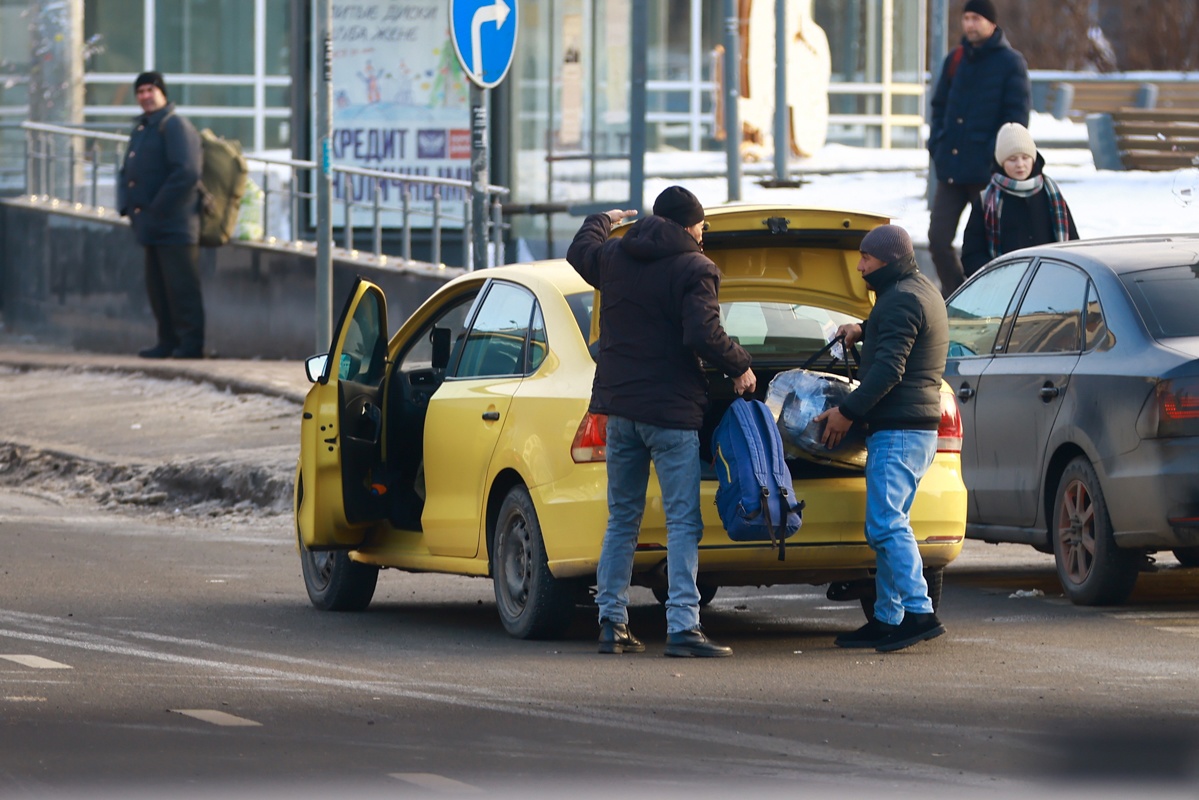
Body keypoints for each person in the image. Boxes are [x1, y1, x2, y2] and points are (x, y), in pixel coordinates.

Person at [566, 186, 756, 658]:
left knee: (623, 519)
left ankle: (611, 622)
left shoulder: (614, 256)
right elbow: (703, 333)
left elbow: (578, 251)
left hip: (622, 410)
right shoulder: (696, 268)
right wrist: (741, 366)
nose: (703, 234)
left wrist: (604, 218)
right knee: (682, 521)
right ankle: (683, 627)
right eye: (702, 226)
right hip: (671, 415)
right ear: (688, 225)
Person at [814, 225, 950, 653]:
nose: (859, 266)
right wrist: (863, 329)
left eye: (866, 259)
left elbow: (890, 370)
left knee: (886, 525)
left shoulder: (901, 299)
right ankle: (888, 618)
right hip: (915, 428)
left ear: (886, 261)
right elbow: (898, 335)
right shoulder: (918, 289)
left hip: (899, 429)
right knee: (894, 525)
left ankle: (918, 611)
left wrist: (846, 413)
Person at [927, 0, 1031, 298]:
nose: (970, 24)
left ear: (991, 22)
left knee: (985, 246)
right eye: (966, 18)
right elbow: (938, 108)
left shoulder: (1011, 62)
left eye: (976, 18)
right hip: (951, 170)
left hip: (988, 175)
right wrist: (938, 145)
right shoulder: (955, 58)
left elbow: (1016, 119)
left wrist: (993, 158)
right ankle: (959, 297)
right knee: (938, 239)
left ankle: (990, 301)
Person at [118, 71, 206, 359]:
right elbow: (126, 171)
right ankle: (166, 341)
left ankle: (191, 345)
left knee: (182, 288)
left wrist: (157, 207)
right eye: (140, 91)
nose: (145, 96)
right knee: (159, 289)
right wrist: (127, 206)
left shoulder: (175, 125)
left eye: (150, 90)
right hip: (151, 226)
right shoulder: (143, 128)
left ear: (163, 93)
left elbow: (187, 171)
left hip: (175, 225)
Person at [960, 122, 1079, 276]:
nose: (1020, 165)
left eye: (1025, 157)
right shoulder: (987, 201)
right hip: (1005, 288)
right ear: (1001, 162)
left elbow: (1074, 245)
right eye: (1012, 159)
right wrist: (1000, 275)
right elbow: (971, 255)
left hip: (1052, 281)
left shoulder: (1051, 195)